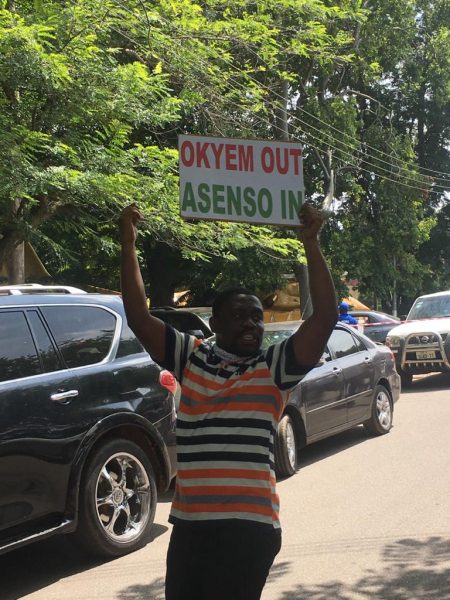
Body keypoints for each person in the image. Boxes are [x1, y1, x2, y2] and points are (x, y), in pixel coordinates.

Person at [119, 202, 338, 600]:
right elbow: (138, 315)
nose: (251, 324)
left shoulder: (274, 367)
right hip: (189, 525)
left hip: (248, 527)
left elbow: (324, 319)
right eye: (239, 316)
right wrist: (128, 242)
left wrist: (311, 243)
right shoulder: (191, 357)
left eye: (256, 317)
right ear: (215, 324)